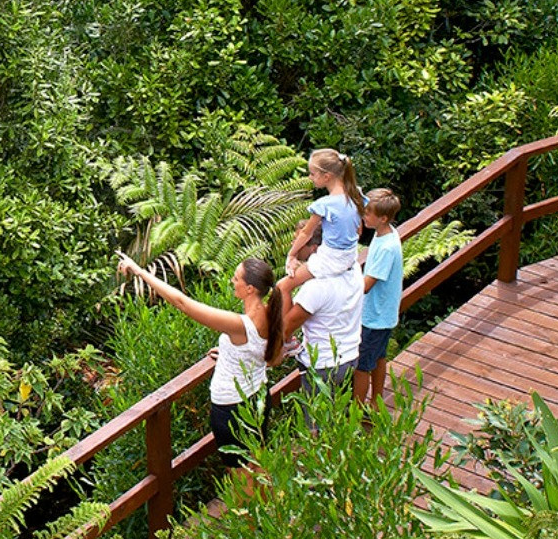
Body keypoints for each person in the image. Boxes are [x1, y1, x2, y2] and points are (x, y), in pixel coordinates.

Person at [115, 252, 284, 467]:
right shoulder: (272, 314)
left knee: (242, 477)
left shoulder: (240, 325)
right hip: (259, 395)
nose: (232, 282)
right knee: (256, 465)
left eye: (236, 278)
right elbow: (273, 358)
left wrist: (139, 271)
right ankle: (264, 501)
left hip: (234, 408)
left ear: (250, 289)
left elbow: (182, 302)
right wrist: (232, 353)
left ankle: (252, 502)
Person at [276, 149, 365, 305]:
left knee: (282, 287)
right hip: (350, 257)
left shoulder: (325, 204)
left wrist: (291, 255)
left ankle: (284, 328)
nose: (310, 178)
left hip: (330, 260)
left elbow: (306, 234)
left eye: (312, 174)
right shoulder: (355, 194)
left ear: (326, 177)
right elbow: (358, 230)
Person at [354, 188, 404, 407]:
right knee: (379, 356)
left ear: (382, 218)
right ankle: (376, 402)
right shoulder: (386, 233)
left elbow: (366, 285)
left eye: (367, 213)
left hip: (375, 315)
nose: (364, 216)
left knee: (363, 364)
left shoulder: (387, 247)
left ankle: (357, 410)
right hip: (383, 311)